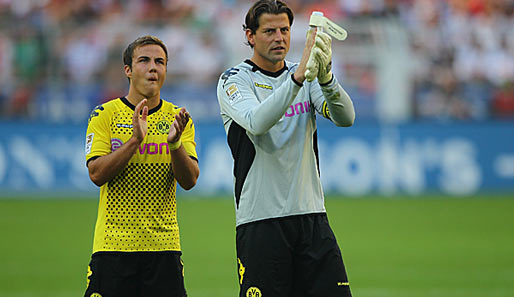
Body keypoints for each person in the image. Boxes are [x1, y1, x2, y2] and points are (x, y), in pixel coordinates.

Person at [216, 1, 355, 297]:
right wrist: (296, 80)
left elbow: (346, 118)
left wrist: (327, 79)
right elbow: (256, 121)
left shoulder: (305, 75)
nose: (279, 37)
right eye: (269, 31)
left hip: (312, 217)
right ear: (250, 36)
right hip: (261, 221)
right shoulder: (235, 79)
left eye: (284, 30)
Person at [84, 35, 199, 297]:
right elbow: (96, 173)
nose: (153, 67)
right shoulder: (105, 115)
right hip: (113, 247)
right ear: (128, 69)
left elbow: (190, 180)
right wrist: (135, 140)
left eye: (160, 62)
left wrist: (174, 145)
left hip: (164, 247)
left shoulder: (178, 117)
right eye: (144, 60)